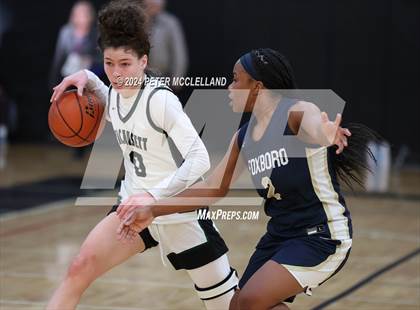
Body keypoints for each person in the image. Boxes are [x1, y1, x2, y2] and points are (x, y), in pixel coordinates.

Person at [116, 49, 379, 309]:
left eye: (235, 79)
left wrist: (326, 134)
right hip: (279, 235)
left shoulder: (295, 112)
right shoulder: (243, 137)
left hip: (321, 234)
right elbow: (211, 189)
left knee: (252, 300)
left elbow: (315, 127)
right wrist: (153, 209)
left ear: (257, 86)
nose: (229, 87)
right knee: (239, 306)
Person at [47, 1, 238, 309]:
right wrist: (85, 74)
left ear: (143, 61)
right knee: (78, 269)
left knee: (229, 305)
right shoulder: (115, 97)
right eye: (109, 63)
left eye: (125, 64)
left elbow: (200, 159)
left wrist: (152, 196)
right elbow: (110, 96)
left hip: (178, 214)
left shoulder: (161, 101)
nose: (117, 73)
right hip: (131, 211)